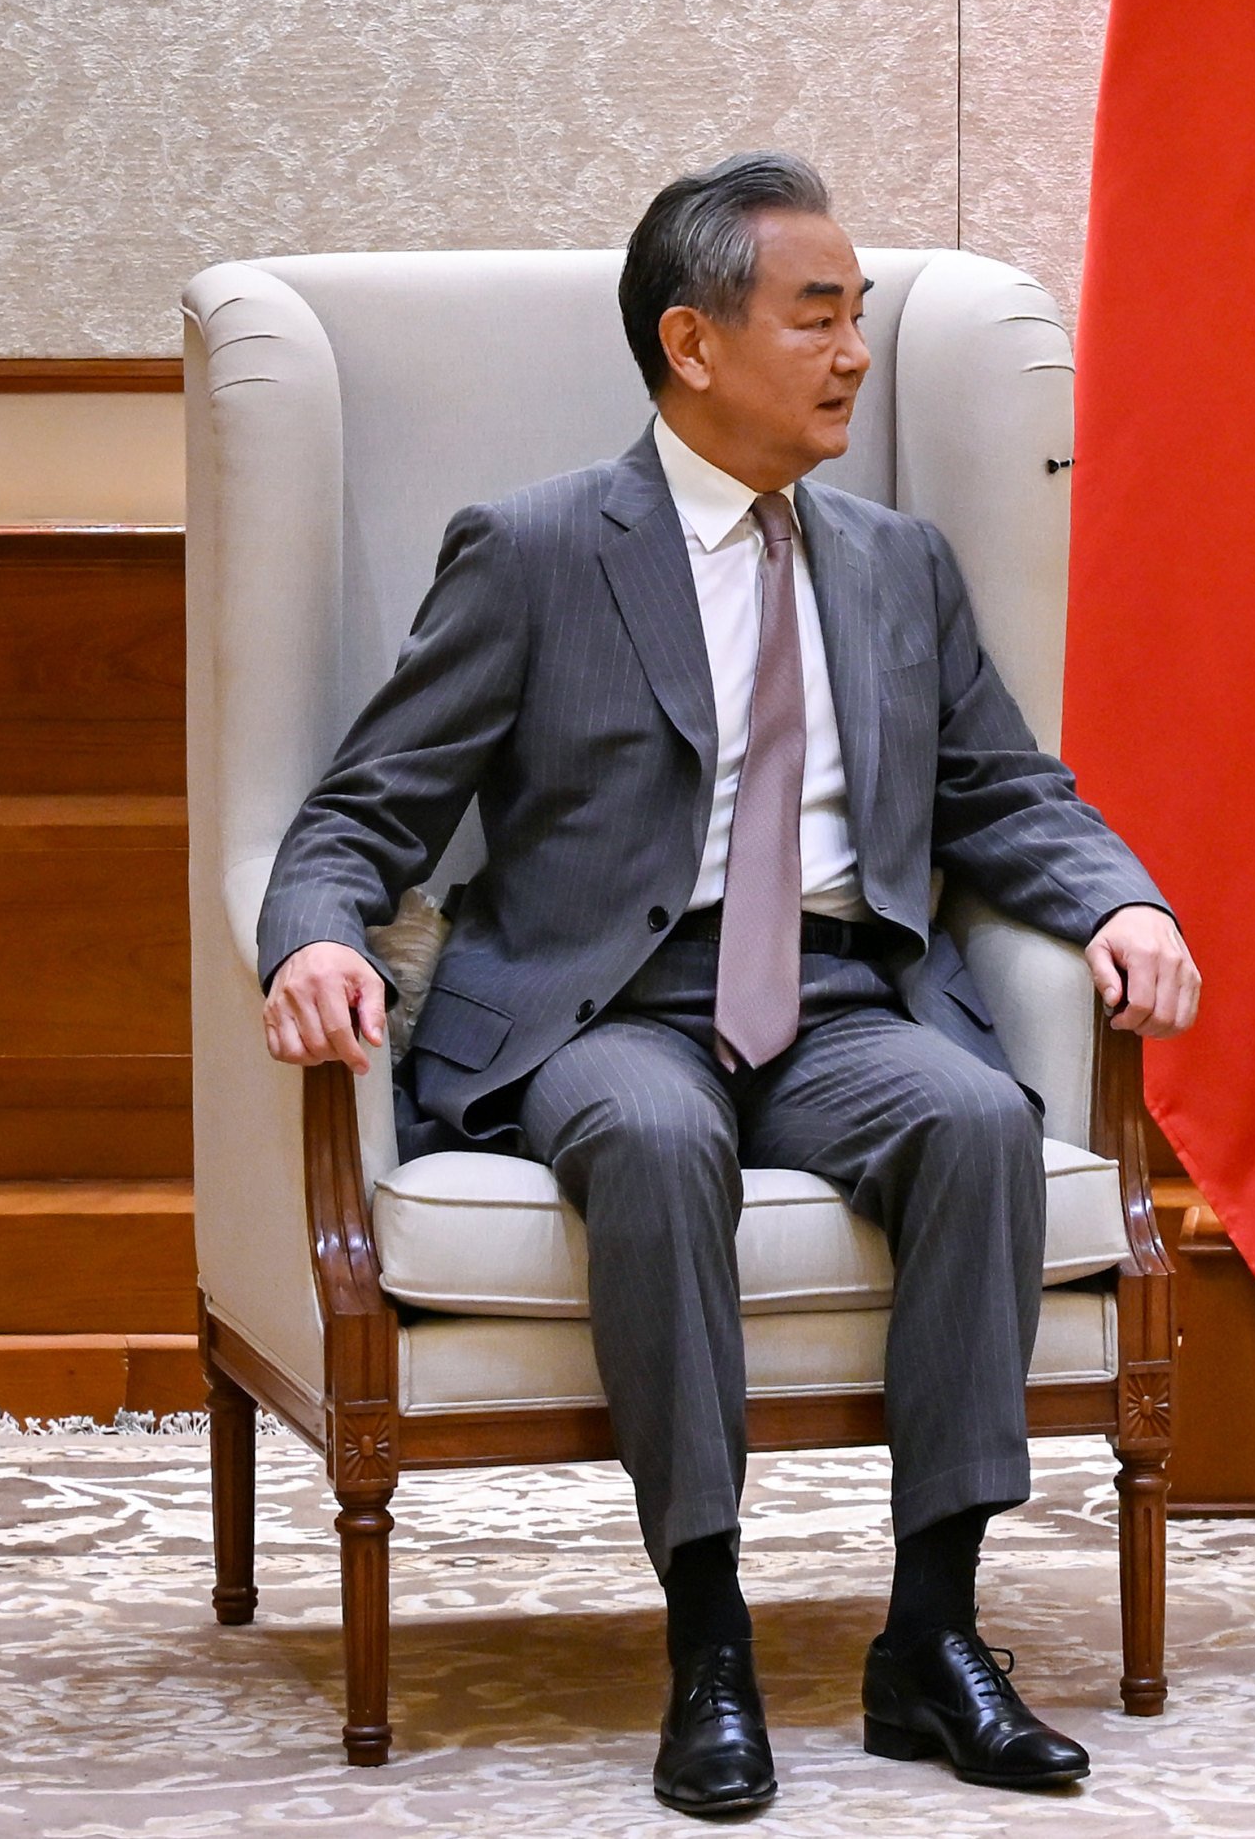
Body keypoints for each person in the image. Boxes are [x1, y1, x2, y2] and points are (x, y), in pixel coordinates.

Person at [252, 151, 1202, 1817]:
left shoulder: (897, 563)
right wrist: (320, 935)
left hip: (843, 1001)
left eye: (861, 319)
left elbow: (1004, 793)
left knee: (981, 1118)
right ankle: (709, 1636)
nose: (852, 353)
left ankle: (932, 1636)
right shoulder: (539, 551)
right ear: (694, 344)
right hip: (605, 1011)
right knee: (650, 1140)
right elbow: (365, 808)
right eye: (816, 316)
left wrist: (1120, 902)